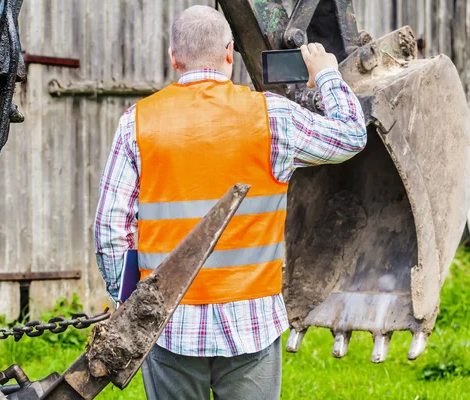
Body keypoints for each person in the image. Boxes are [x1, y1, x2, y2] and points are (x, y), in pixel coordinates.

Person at [94, 5, 366, 400]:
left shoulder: (137, 121)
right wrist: (325, 73)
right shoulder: (273, 117)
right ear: (228, 52)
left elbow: (109, 228)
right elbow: (351, 134)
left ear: (173, 57)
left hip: (166, 325)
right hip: (251, 326)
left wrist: (132, 307)